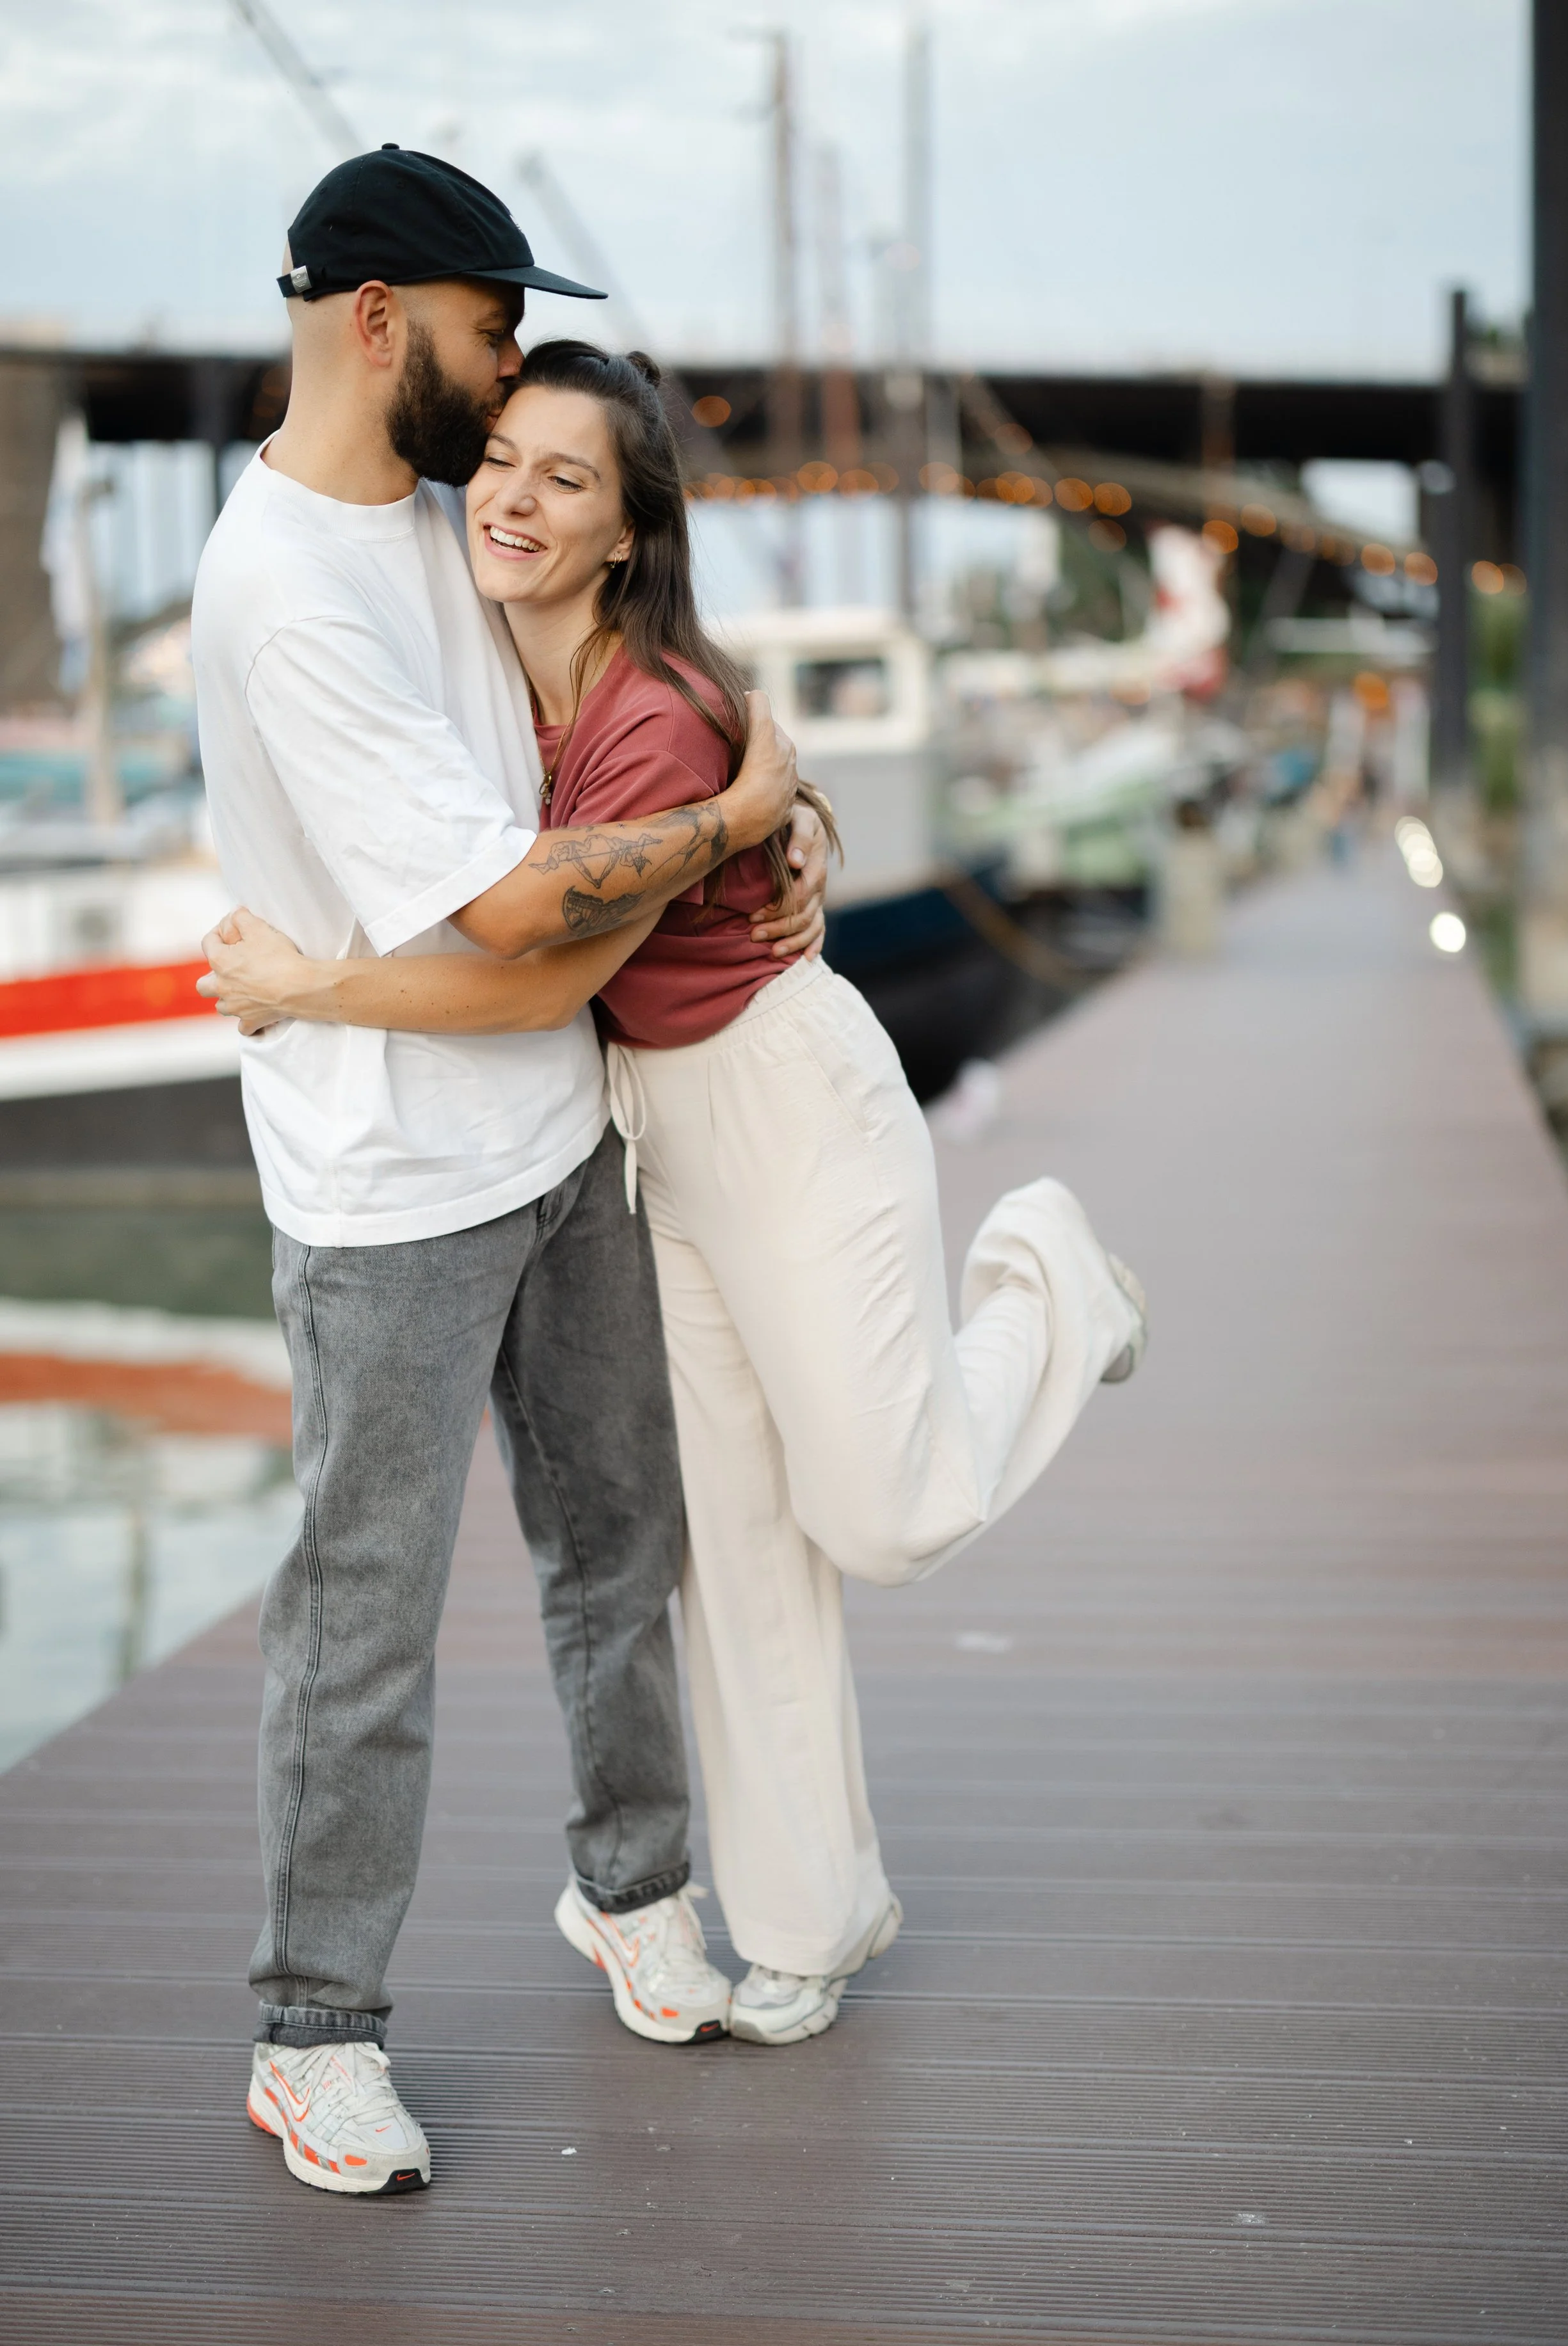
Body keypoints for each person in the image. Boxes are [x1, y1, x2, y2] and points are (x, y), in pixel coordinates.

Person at [202, 340, 1149, 2060]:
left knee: (887, 1510)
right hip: (644, 1131)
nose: (511, 496)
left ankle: (1047, 1283)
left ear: (629, 534)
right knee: (739, 1551)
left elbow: (528, 979)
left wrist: (309, 975)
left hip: (782, 1100)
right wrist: (766, 806)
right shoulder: (478, 633)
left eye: (567, 480)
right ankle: (802, 1919)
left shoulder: (647, 717)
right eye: (500, 457)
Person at [190, 151, 829, 2199]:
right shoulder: (284, 589)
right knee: (365, 1620)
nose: (510, 369)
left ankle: (633, 1888)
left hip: (559, 1137)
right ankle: (312, 2031)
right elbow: (513, 899)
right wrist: (737, 814)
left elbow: (603, 706)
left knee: (614, 1544)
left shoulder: (443, 519)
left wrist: (757, 836)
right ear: (381, 319)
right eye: (488, 327)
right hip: (386, 1186)